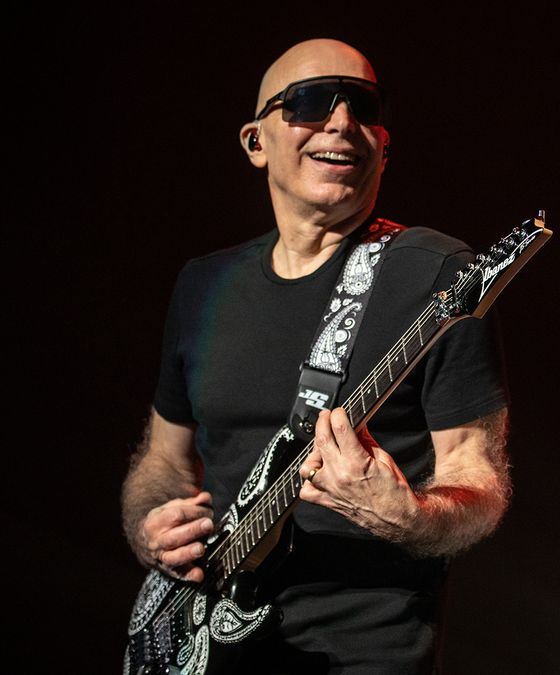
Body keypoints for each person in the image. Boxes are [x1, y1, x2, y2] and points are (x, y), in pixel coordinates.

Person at [121, 39, 510, 673]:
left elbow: (479, 481)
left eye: (363, 105)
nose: (340, 122)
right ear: (255, 141)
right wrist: (151, 527)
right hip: (206, 641)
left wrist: (411, 517)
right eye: (308, 103)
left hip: (361, 651)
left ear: (383, 143)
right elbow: (163, 459)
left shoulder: (438, 277)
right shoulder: (204, 283)